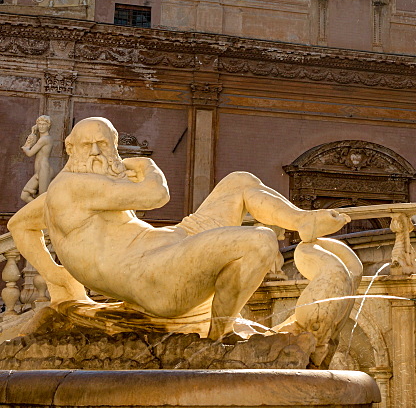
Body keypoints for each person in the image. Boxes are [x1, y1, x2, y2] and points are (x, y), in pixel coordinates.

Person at [9, 117, 348, 339]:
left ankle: (302, 220)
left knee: (239, 182)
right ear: (70, 149)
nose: (98, 152)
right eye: (88, 146)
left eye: (105, 145)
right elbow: (156, 195)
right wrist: (148, 165)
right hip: (153, 275)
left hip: (173, 244)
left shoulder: (75, 188)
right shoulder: (71, 188)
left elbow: (19, 223)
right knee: (258, 242)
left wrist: (57, 275)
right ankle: (218, 340)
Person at [20, 115, 53, 203]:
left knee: (42, 198)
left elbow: (30, 153)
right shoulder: (41, 138)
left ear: (48, 126)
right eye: (40, 124)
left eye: (44, 124)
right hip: (39, 170)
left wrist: (26, 147)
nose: (41, 126)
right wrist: (33, 132)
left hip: (44, 169)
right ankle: (37, 211)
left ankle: (42, 214)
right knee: (25, 195)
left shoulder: (45, 139)